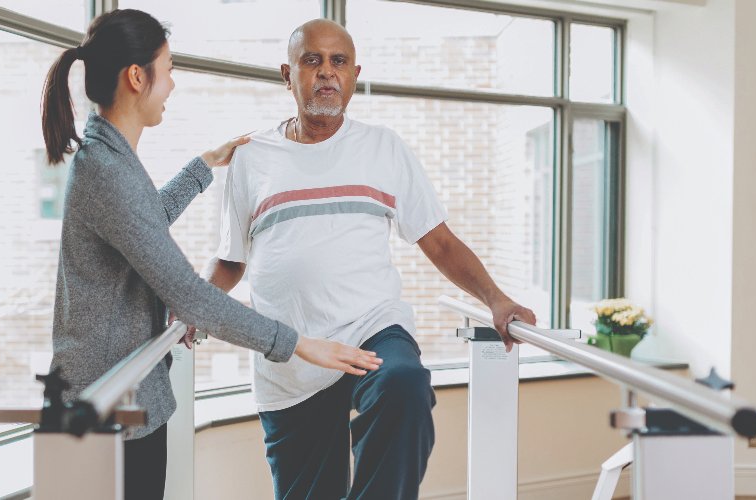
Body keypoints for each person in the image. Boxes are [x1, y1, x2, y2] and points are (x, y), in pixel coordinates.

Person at [38, 10, 383, 500]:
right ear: (138, 78)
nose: (172, 85)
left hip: (128, 398)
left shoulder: (110, 156)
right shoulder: (105, 169)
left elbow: (142, 224)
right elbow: (189, 294)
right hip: (102, 410)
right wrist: (300, 343)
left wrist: (203, 166)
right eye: (170, 69)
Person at [199, 19, 539, 500]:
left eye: (338, 62)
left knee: (403, 385)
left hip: (371, 328)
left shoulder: (384, 148)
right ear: (286, 73)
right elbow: (231, 260)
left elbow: (438, 241)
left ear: (355, 74)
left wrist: (497, 300)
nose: (326, 73)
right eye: (312, 60)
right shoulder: (252, 157)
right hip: (292, 353)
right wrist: (192, 304)